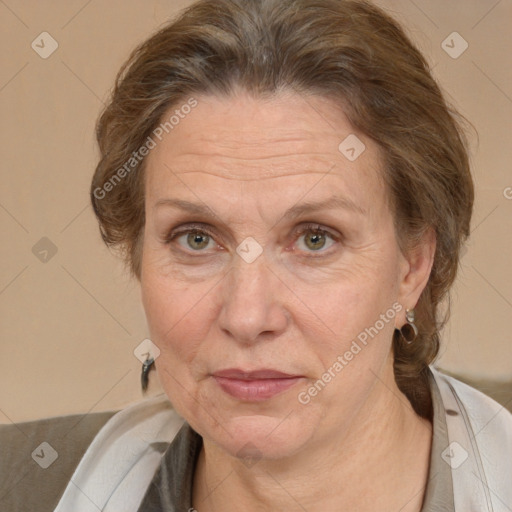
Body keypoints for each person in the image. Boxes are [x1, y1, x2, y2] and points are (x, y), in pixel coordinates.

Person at [4, 0, 512, 511]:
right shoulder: (21, 486)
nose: (247, 316)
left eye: (316, 238)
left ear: (412, 267)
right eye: (196, 239)